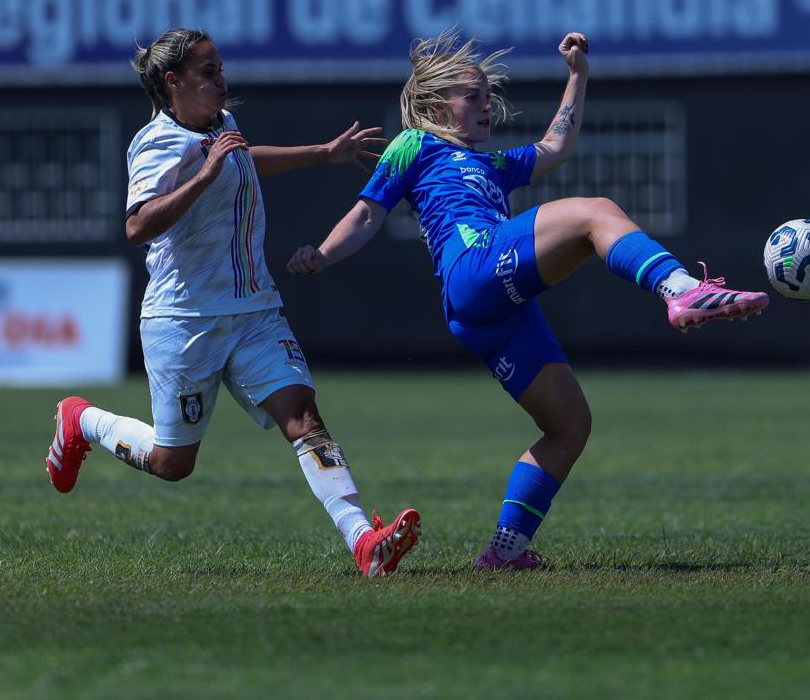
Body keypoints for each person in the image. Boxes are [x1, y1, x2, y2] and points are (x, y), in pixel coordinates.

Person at [286, 29, 768, 570]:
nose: (486, 104)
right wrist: (323, 255)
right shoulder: (415, 144)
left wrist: (578, 76)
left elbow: (556, 146)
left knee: (570, 425)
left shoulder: (490, 166)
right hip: (474, 271)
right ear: (434, 103)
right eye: (472, 95)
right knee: (595, 211)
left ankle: (506, 551)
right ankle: (680, 290)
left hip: (490, 312)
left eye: (487, 94)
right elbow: (369, 212)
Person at [45, 27, 420, 579]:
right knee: (174, 464)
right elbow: (137, 225)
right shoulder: (157, 142)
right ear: (172, 82)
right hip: (184, 320)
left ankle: (364, 542)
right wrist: (205, 174)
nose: (221, 81)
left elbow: (244, 159)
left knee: (305, 419)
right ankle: (82, 421)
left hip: (254, 310)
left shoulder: (221, 125)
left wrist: (324, 153)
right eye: (208, 72)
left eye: (220, 68)